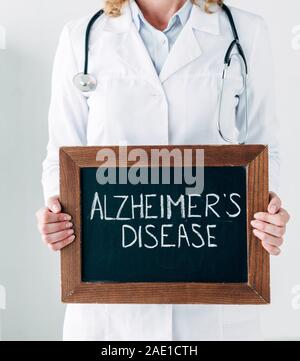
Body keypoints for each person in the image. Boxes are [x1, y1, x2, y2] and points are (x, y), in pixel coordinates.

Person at [36, 0, 290, 341]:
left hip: (212, 298)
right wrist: (58, 209)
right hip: (109, 308)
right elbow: (61, 156)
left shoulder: (246, 32)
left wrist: (265, 208)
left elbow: (264, 149)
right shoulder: (80, 37)